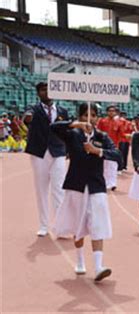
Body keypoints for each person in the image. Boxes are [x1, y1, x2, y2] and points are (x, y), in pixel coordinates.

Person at [51, 103, 121, 281]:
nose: (90, 119)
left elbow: (117, 155)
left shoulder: (102, 136)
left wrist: (98, 151)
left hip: (97, 186)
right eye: (85, 115)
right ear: (80, 116)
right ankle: (80, 260)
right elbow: (53, 127)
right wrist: (76, 125)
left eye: (94, 115)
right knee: (78, 224)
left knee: (98, 223)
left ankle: (98, 267)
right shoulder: (73, 135)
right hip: (76, 184)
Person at [25, 82, 69, 236]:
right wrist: (28, 118)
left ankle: (60, 226)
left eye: (49, 89)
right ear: (38, 93)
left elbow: (67, 132)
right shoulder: (33, 109)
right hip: (40, 153)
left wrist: (69, 149)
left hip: (58, 152)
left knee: (59, 189)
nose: (47, 92)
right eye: (43, 90)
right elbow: (27, 118)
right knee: (41, 189)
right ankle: (44, 225)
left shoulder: (63, 110)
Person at [97, 105, 121, 191]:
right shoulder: (102, 121)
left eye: (113, 111)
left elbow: (120, 134)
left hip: (114, 146)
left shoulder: (118, 123)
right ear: (107, 112)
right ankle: (104, 182)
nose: (111, 112)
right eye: (110, 111)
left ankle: (113, 183)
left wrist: (118, 145)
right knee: (104, 166)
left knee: (113, 166)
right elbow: (98, 132)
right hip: (103, 146)